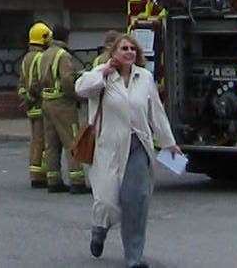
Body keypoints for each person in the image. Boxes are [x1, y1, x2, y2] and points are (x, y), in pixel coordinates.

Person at [76, 32, 183, 268]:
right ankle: (100, 229)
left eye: (132, 49)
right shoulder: (102, 77)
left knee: (136, 201)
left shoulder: (144, 78)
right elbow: (80, 89)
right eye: (124, 48)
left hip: (137, 147)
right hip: (108, 148)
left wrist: (168, 142)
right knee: (106, 202)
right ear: (113, 53)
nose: (129, 52)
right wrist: (103, 71)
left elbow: (156, 112)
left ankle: (134, 257)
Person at [38, 23, 87, 193]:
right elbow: (67, 80)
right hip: (63, 103)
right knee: (72, 140)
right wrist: (76, 95)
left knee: (51, 143)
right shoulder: (63, 55)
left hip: (46, 102)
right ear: (66, 38)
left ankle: (53, 180)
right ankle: (77, 180)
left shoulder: (44, 54)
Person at [18, 21, 52, 188]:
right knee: (41, 140)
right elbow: (37, 82)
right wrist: (32, 98)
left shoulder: (26, 58)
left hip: (31, 106)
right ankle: (38, 176)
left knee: (35, 140)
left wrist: (25, 99)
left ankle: (35, 172)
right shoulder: (40, 58)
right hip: (39, 104)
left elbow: (21, 83)